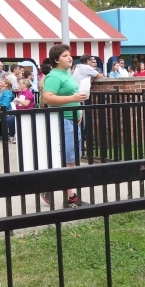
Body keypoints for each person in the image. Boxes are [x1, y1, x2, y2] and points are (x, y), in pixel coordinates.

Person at [41, 43, 88, 208]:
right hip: (63, 121)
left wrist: (79, 111)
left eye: (70, 55)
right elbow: (47, 98)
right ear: (56, 59)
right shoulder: (54, 76)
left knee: (72, 159)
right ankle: (70, 198)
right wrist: (74, 100)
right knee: (69, 160)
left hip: (73, 120)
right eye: (65, 55)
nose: (70, 57)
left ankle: (52, 188)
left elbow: (72, 95)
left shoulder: (66, 75)